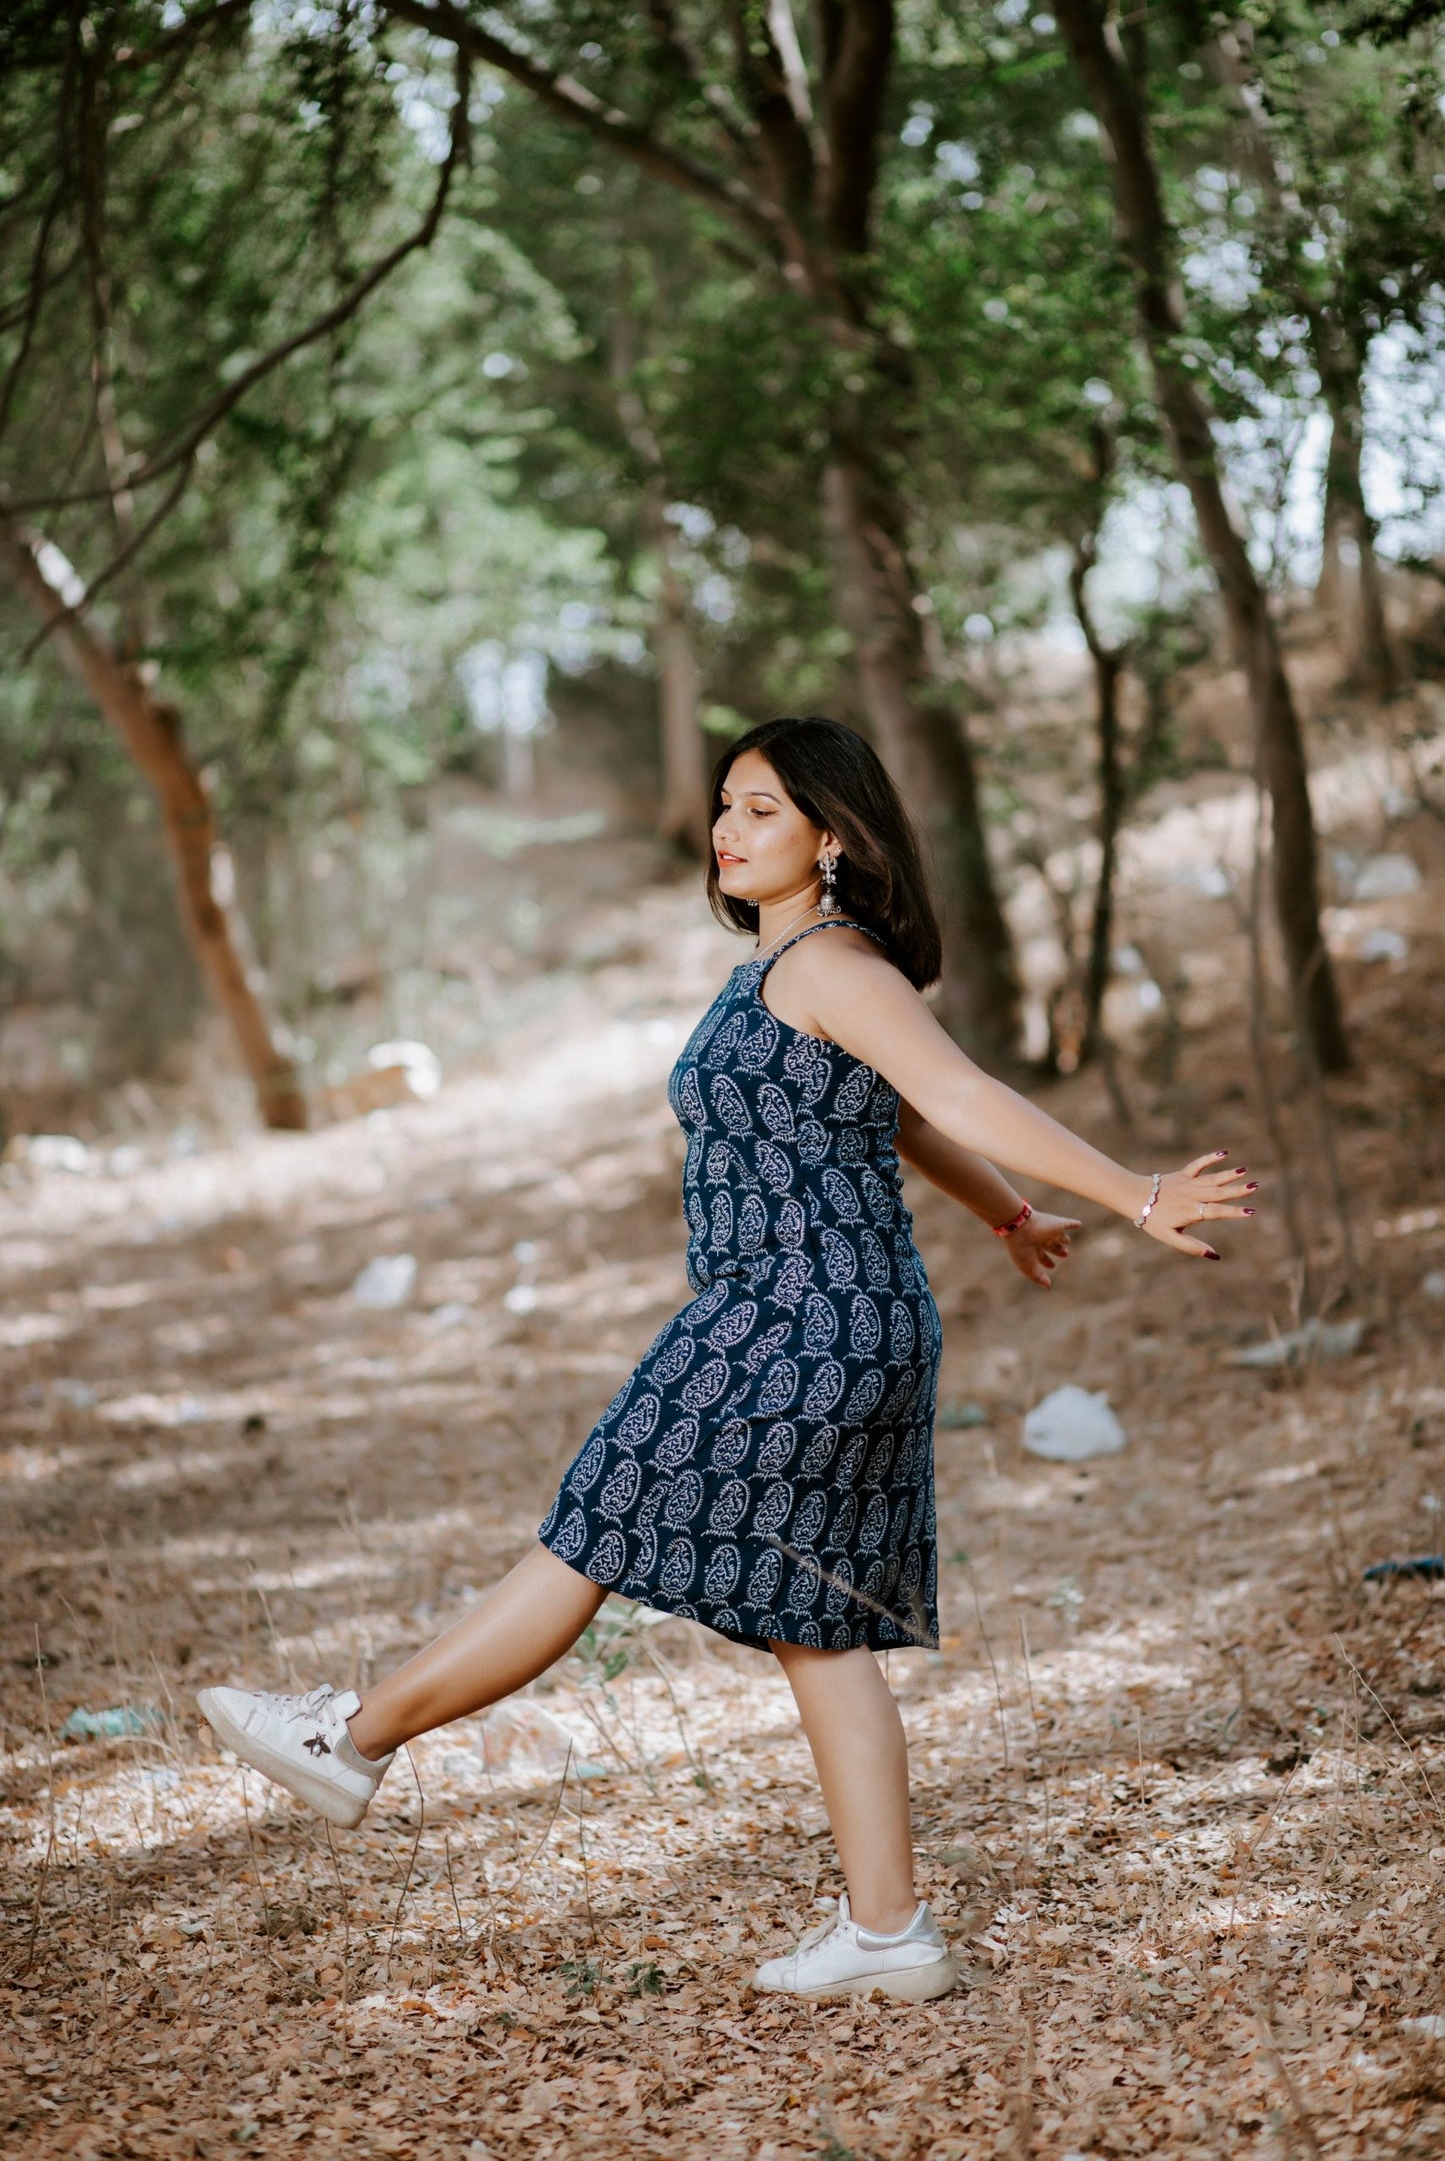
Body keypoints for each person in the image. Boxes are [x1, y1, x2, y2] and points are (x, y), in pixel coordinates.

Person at [198, 715, 1255, 2003]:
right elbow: (902, 1114)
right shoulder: (800, 968)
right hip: (824, 1314)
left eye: (761, 809)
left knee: (592, 1532)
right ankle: (888, 1934)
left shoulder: (829, 965)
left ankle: (349, 1739)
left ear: (834, 834)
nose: (726, 831)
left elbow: (965, 1089)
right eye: (724, 806)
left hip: (790, 1317)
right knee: (817, 1628)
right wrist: (1008, 1216)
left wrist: (1136, 1192)